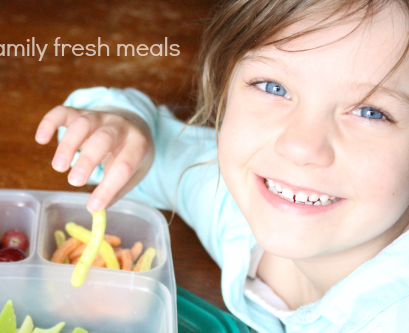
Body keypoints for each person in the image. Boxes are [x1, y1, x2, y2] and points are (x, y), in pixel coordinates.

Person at [35, 0, 409, 331]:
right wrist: (124, 127)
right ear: (224, 86)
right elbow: (139, 155)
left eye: (371, 112)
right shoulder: (228, 196)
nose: (299, 147)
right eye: (273, 87)